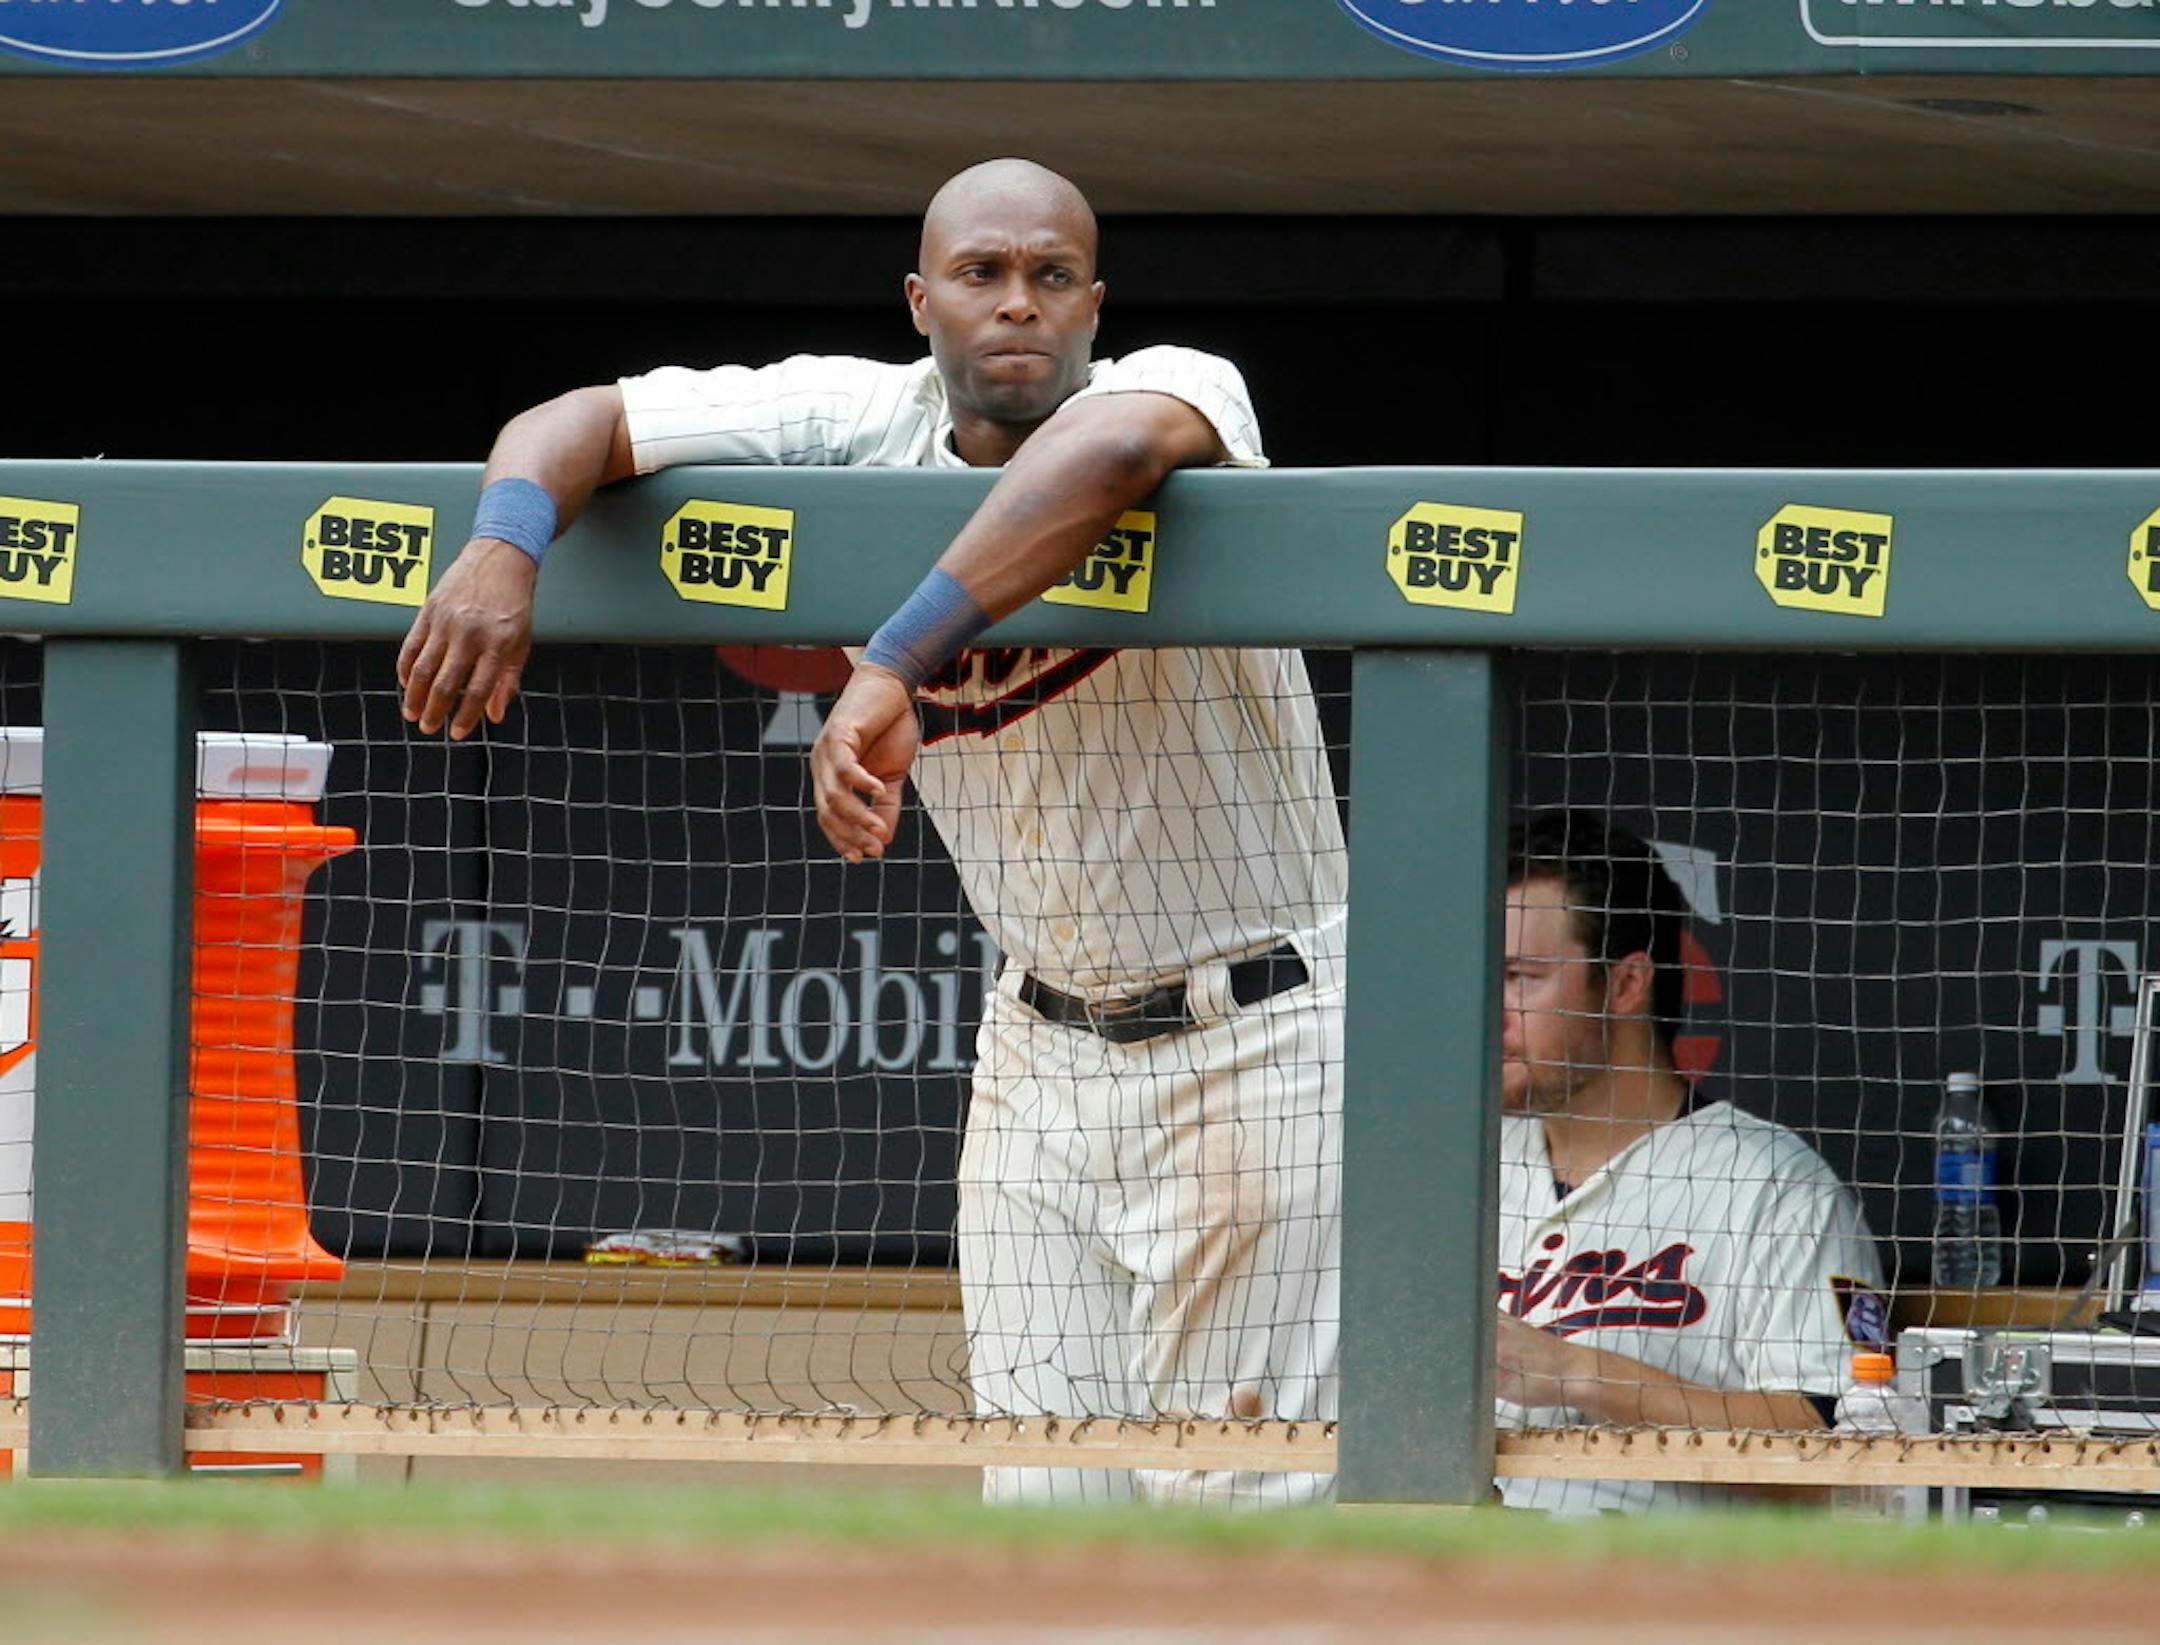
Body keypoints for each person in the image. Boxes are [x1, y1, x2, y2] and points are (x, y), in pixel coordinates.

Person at [396, 159, 1344, 1508]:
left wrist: (892, 663)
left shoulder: (1185, 384)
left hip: (1260, 1034)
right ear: (922, 299)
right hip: (1038, 1046)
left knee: (1244, 1512)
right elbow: (582, 419)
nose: (1018, 304)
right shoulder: (854, 417)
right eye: (981, 275)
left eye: (1050, 276)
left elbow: (1117, 455)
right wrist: (504, 545)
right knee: (1044, 1513)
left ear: (1093, 302)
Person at [1495, 809, 1886, 1513]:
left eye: (1521, 977)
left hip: (1669, 1600)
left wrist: (1576, 1371)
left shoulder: (1776, 1187)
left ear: (1625, 984)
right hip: (1450, 1594)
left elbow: (1842, 1446)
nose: (1489, 1010)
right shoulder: (1452, 1169)